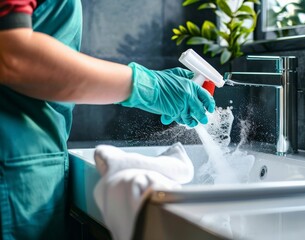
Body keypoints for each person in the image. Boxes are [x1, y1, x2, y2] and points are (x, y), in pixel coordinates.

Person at [0, 0, 215, 238]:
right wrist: (149, 87)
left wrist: (152, 85)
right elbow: (13, 56)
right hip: (10, 173)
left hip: (26, 174)